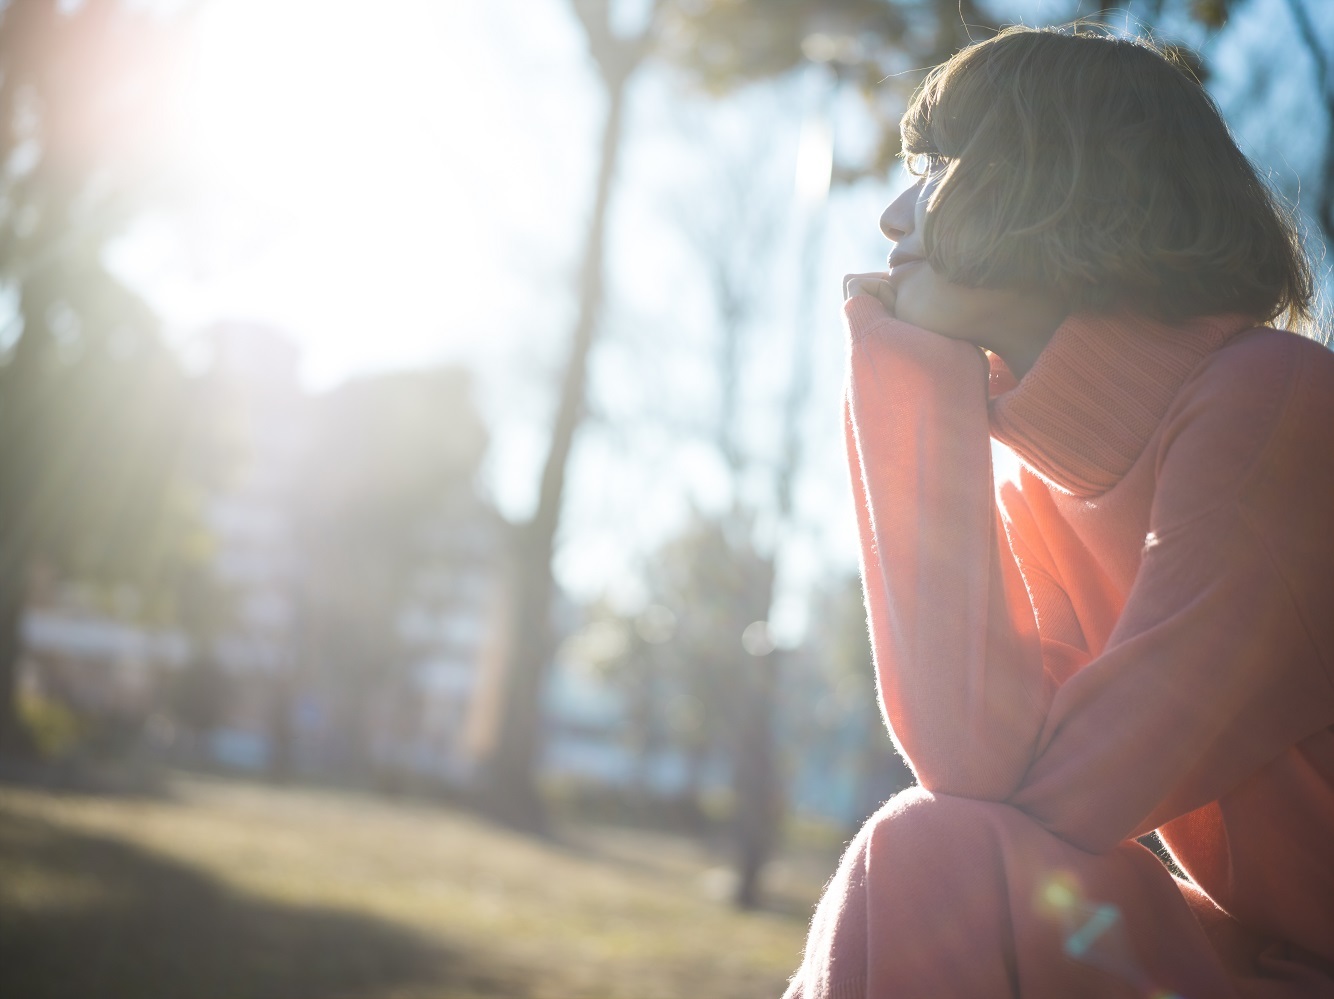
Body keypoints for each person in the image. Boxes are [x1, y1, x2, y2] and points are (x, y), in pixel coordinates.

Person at [784, 25, 1334, 999]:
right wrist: (911, 381)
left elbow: (1083, 790)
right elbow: (969, 766)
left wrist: (911, 373)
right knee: (927, 848)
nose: (890, 215)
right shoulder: (1039, 484)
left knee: (935, 857)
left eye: (940, 164)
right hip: (1268, 957)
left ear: (1059, 180)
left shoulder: (1275, 402)